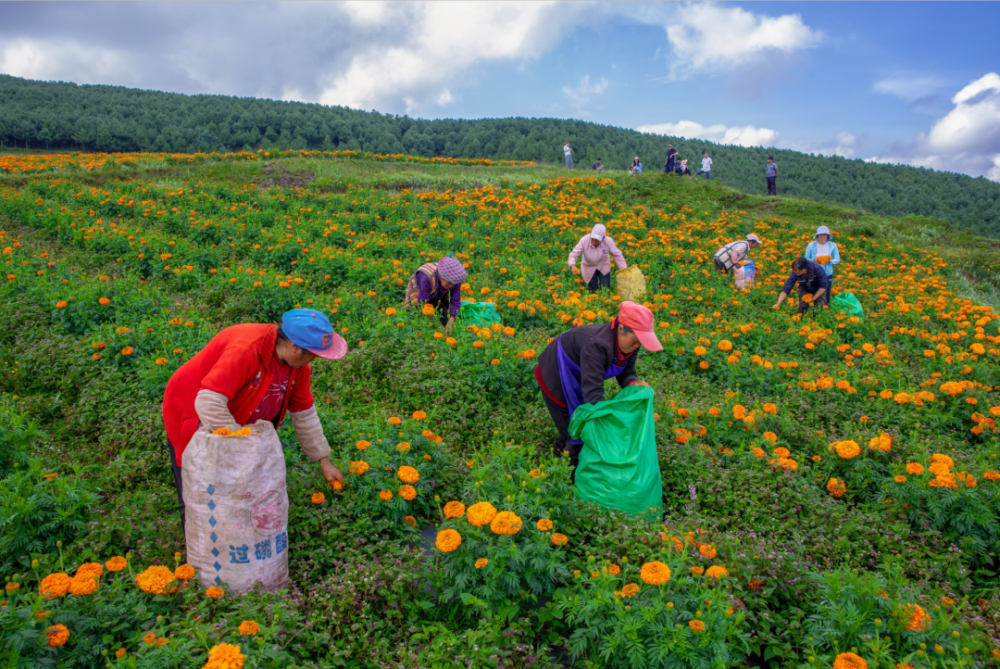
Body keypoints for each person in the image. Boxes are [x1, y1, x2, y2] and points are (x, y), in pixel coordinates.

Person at [162, 309, 348, 532]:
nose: (315, 360)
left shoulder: (298, 367)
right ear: (295, 347)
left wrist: (324, 461)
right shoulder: (247, 349)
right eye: (313, 354)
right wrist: (240, 444)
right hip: (192, 409)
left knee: (237, 482)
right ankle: (201, 550)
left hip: (237, 418)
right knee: (200, 486)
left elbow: (304, 414)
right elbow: (209, 402)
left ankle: (235, 538)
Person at [535, 301, 663, 476]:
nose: (637, 347)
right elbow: (593, 395)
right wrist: (611, 423)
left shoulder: (629, 346)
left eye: (640, 343)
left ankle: (557, 455)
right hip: (556, 374)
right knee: (575, 431)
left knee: (576, 422)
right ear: (620, 329)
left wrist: (632, 382)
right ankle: (569, 480)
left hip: (580, 377)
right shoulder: (597, 346)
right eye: (635, 341)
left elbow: (627, 371)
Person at [403, 256, 467, 332]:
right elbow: (423, 304)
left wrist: (450, 322)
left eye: (453, 284)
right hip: (419, 300)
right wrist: (436, 324)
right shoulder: (426, 277)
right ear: (440, 277)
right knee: (420, 325)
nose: (451, 286)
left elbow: (455, 301)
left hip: (438, 298)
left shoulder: (455, 278)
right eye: (449, 283)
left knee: (444, 325)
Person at [568, 223, 627, 292]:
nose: (594, 241)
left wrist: (624, 270)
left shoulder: (608, 241)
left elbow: (617, 255)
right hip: (588, 265)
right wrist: (572, 265)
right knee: (593, 288)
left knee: (605, 287)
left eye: (597, 239)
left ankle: (605, 301)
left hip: (603, 265)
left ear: (602, 238)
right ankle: (594, 300)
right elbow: (574, 253)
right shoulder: (584, 240)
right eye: (593, 238)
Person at [803, 225, 841, 291]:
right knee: (814, 293)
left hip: (827, 274)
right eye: (820, 235)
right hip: (814, 274)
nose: (822, 237)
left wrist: (830, 261)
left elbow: (837, 260)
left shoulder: (833, 246)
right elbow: (806, 259)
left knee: (826, 294)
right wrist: (814, 260)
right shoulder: (811, 245)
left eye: (824, 235)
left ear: (827, 236)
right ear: (817, 236)